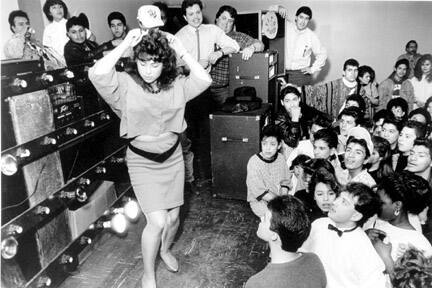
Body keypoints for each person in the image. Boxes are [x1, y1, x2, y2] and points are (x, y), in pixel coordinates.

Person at [88, 13, 212, 286]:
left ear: (164, 63)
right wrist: (123, 45)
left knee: (173, 218)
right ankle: (148, 273)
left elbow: (204, 80)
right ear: (136, 60)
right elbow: (96, 73)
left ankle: (166, 250)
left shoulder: (176, 84)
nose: (148, 69)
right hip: (142, 161)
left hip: (173, 159)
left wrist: (181, 50)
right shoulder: (124, 84)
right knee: (156, 222)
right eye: (143, 62)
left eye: (155, 63)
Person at [176, 0, 240, 183]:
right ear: (184, 17)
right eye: (190, 14)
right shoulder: (179, 36)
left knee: (207, 134)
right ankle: (191, 178)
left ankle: (209, 177)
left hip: (205, 90)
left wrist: (219, 53)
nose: (195, 17)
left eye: (197, 12)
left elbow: (234, 46)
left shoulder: (211, 30)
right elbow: (174, 66)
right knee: (188, 135)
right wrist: (193, 66)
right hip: (187, 89)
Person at [300, 182, 386, 288]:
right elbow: (301, 255)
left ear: (355, 215)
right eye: (339, 197)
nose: (335, 202)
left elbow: (375, 283)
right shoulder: (319, 224)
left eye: (344, 202)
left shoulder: (361, 246)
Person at [245, 195, 327, 288]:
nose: (261, 220)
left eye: (265, 218)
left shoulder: (257, 284)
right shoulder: (314, 261)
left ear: (274, 235)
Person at [366, 172, 432, 277]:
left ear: (397, 206)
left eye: (380, 202)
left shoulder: (419, 245)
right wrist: (364, 237)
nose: (374, 204)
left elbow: (413, 283)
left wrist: (386, 258)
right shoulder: (377, 221)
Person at [210, 5, 264, 107]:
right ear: (216, 19)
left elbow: (260, 44)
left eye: (230, 21)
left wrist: (252, 48)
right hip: (202, 88)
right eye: (224, 18)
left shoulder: (238, 37)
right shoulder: (207, 34)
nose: (226, 24)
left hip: (223, 90)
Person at [269, 5, 327, 86]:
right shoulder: (287, 26)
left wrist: (312, 69)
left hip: (300, 76)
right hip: (282, 72)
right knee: (281, 97)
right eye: (301, 17)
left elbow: (322, 54)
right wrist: (279, 8)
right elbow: (269, 12)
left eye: (306, 19)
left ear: (308, 21)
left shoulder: (311, 36)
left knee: (299, 97)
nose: (303, 22)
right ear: (296, 17)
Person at [246, 125, 290, 218]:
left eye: (272, 144)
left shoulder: (281, 158)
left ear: (279, 145)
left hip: (278, 198)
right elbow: (260, 192)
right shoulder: (254, 161)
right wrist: (280, 204)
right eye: (264, 144)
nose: (267, 148)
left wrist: (283, 198)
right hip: (260, 201)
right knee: (274, 219)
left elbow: (285, 182)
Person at [275, 86, 324, 155]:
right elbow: (293, 142)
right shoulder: (280, 118)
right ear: (282, 102)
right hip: (291, 151)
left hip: (308, 145)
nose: (292, 104)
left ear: (299, 99)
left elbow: (321, 117)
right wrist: (295, 120)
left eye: (294, 100)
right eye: (287, 101)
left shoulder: (303, 108)